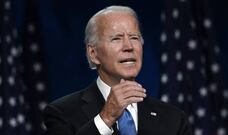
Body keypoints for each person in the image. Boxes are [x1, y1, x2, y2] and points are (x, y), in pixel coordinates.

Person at [43, 5, 192, 135]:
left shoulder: (174, 119)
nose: (129, 46)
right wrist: (105, 118)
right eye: (116, 38)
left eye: (134, 37)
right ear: (93, 54)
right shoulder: (62, 113)